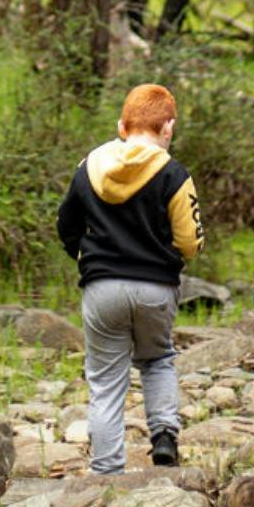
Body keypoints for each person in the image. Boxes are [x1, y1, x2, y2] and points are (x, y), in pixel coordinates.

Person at [56, 84, 204, 474]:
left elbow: (66, 224)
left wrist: (83, 255)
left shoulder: (88, 166)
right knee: (157, 360)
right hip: (156, 287)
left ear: (122, 125)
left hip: (102, 286)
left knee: (105, 381)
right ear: (168, 127)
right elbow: (190, 241)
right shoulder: (175, 174)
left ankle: (106, 472)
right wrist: (172, 256)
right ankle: (164, 437)